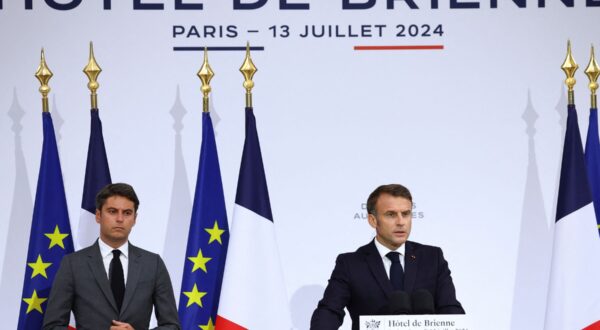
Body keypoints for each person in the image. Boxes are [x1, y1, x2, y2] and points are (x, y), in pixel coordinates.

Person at [310, 184, 464, 330]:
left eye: (405, 214)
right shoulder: (350, 264)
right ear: (373, 220)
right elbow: (330, 311)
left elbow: (450, 308)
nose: (400, 222)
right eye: (391, 215)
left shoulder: (432, 258)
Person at [43, 183, 181, 330]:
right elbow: (52, 326)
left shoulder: (153, 264)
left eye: (127, 213)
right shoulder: (72, 264)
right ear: (98, 215)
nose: (120, 219)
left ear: (135, 218)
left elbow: (172, 326)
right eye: (112, 211)